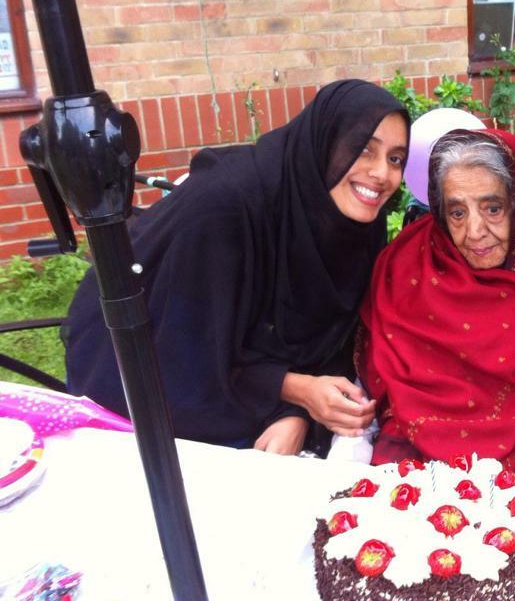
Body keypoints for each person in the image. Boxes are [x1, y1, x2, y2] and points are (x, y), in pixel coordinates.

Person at [63, 80, 410, 455]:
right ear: (324, 143)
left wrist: (298, 411)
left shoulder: (359, 224)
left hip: (245, 388)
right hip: (140, 377)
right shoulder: (226, 205)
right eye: (363, 150)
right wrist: (294, 395)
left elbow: (332, 340)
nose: (381, 174)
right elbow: (187, 354)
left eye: (395, 159)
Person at [349, 129, 515, 483]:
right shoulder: (408, 266)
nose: (474, 232)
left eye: (493, 209)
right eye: (457, 213)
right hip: (404, 473)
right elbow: (366, 394)